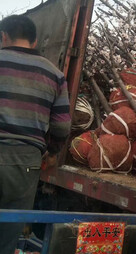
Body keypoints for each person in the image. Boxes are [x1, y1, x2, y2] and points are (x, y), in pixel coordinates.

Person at [0, 15, 71, 253]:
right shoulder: (54, 74)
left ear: (3, 36)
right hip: (26, 162)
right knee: (8, 234)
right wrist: (52, 152)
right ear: (35, 41)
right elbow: (62, 125)